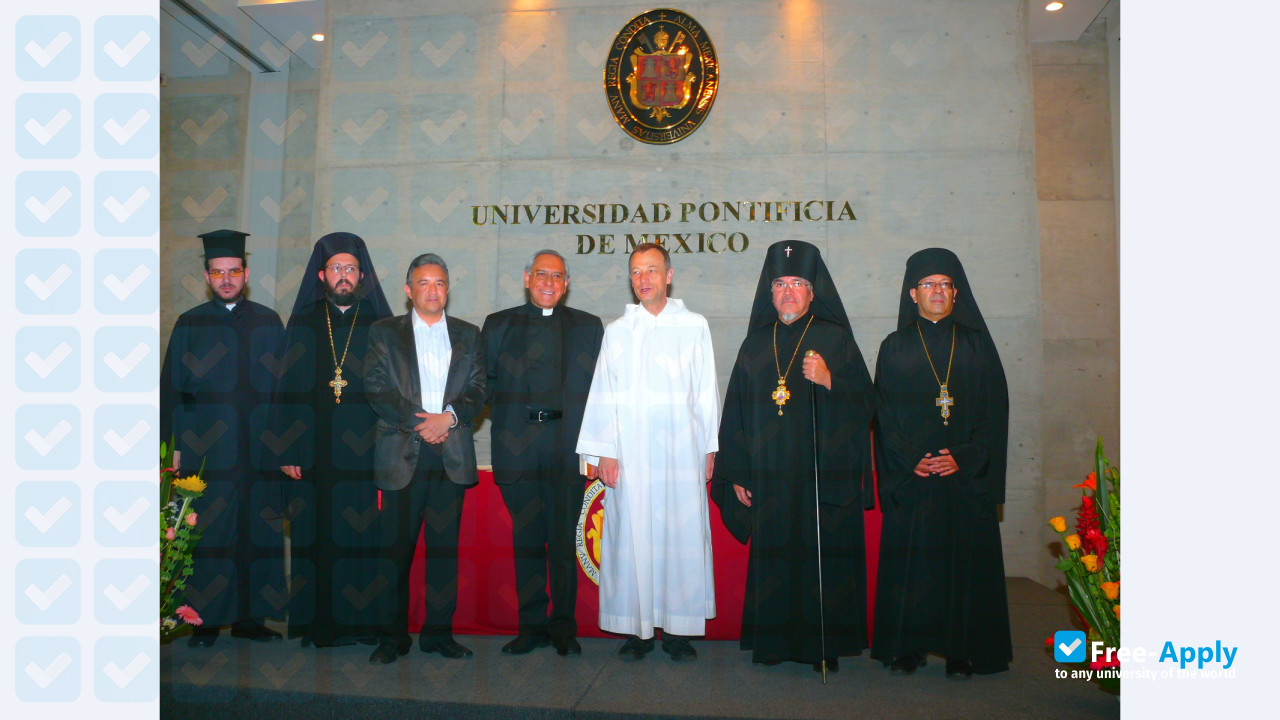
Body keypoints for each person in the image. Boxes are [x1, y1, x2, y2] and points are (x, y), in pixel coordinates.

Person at [711, 240, 874, 673]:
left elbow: (869, 405)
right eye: (780, 283)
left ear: (813, 290)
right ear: (770, 291)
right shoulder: (754, 345)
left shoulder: (835, 339)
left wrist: (830, 380)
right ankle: (773, 643)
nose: (788, 291)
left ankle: (824, 646)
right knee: (777, 559)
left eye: (798, 283)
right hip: (770, 478)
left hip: (822, 477)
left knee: (821, 561)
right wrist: (739, 473)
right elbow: (736, 415)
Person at [870, 247, 1012, 678]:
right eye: (927, 284)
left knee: (963, 564)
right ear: (912, 293)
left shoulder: (977, 345)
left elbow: (995, 412)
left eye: (944, 284)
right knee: (913, 567)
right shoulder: (893, 347)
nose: (936, 291)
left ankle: (961, 650)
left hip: (963, 480)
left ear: (956, 292)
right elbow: (882, 414)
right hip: (914, 479)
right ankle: (908, 647)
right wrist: (911, 459)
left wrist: (963, 458)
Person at [576, 242, 720, 662]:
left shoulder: (695, 325)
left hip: (682, 453)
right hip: (632, 456)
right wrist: (604, 452)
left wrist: (710, 446)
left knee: (681, 538)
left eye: (652, 270)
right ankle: (636, 631)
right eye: (637, 272)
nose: (644, 279)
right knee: (631, 537)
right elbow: (603, 391)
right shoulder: (619, 330)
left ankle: (677, 630)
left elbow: (707, 391)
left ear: (669, 275)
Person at [267, 232, 394, 647]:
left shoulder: (381, 323)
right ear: (322, 274)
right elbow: (285, 388)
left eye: (351, 269)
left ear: (363, 275)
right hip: (314, 451)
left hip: (368, 454)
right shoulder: (304, 321)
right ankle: (319, 625)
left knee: (366, 537)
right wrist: (286, 447)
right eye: (336, 268)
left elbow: (398, 387)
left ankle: (365, 625)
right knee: (316, 536)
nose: (344, 276)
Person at [160, 229, 285, 647]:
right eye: (218, 272)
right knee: (208, 538)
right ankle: (206, 620)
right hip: (204, 454)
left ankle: (251, 619)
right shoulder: (190, 323)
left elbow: (284, 392)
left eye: (234, 271)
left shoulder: (268, 322)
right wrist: (168, 450)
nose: (227, 279)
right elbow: (170, 391)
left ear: (245, 273)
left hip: (257, 453)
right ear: (207, 276)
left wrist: (284, 448)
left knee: (256, 535)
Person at [363, 253, 486, 665]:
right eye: (424, 283)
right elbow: (377, 389)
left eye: (439, 283)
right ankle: (391, 637)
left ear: (447, 289)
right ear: (408, 290)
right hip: (403, 453)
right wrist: (425, 424)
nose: (432, 291)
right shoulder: (383, 333)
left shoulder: (470, 334)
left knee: (443, 554)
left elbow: (479, 388)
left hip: (450, 457)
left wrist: (448, 419)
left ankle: (438, 634)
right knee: (393, 555)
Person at [482, 250, 603, 657]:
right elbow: (481, 386)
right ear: (526, 277)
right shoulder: (498, 326)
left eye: (557, 276)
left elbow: (604, 394)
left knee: (563, 542)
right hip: (518, 446)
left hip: (567, 446)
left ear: (566, 284)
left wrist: (601, 449)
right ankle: (531, 627)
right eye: (541, 274)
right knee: (527, 541)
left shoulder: (588, 327)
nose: (548, 282)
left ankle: (564, 628)